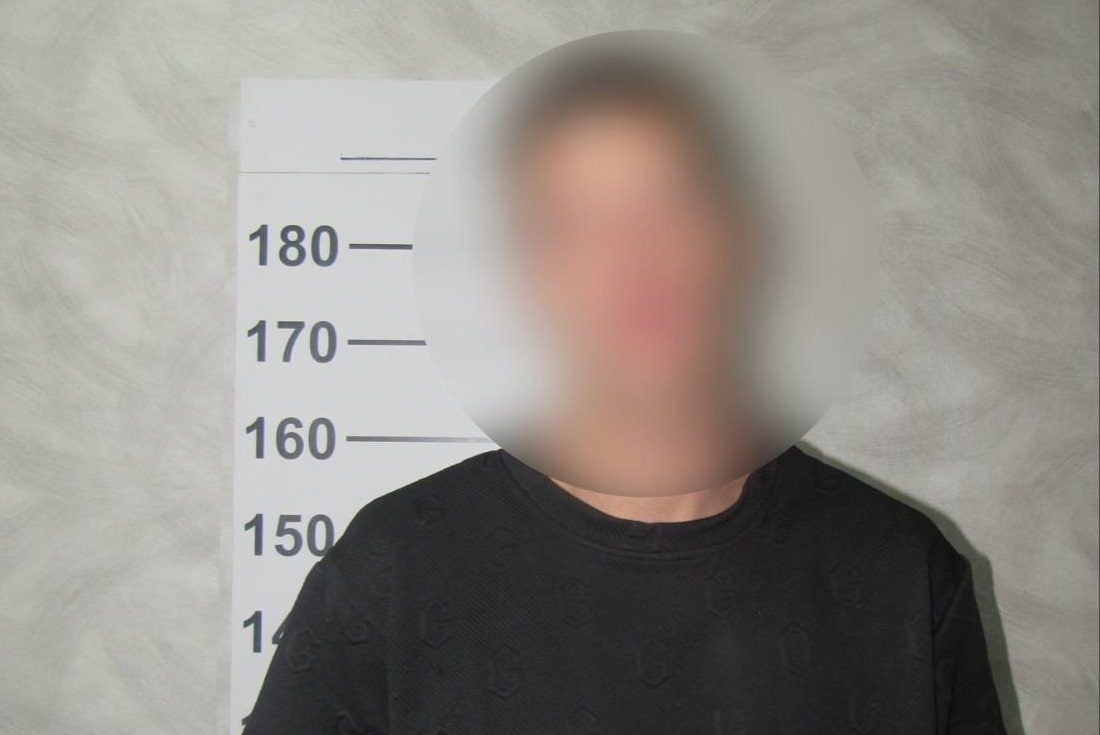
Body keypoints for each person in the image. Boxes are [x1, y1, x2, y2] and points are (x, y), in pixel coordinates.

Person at [243, 53, 1007, 735]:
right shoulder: (389, 573)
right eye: (574, 222)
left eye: (674, 202)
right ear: (525, 280)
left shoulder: (905, 572)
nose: (633, 259)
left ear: (746, 243)